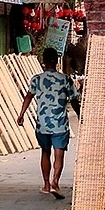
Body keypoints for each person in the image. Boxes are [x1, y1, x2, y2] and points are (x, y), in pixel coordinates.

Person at [16, 47, 78, 199]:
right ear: (56, 61)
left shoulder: (37, 79)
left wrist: (21, 114)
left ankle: (46, 185)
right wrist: (80, 115)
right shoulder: (66, 79)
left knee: (45, 152)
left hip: (42, 123)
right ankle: (55, 181)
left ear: (43, 61)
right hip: (60, 124)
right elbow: (74, 100)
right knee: (59, 153)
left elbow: (28, 97)